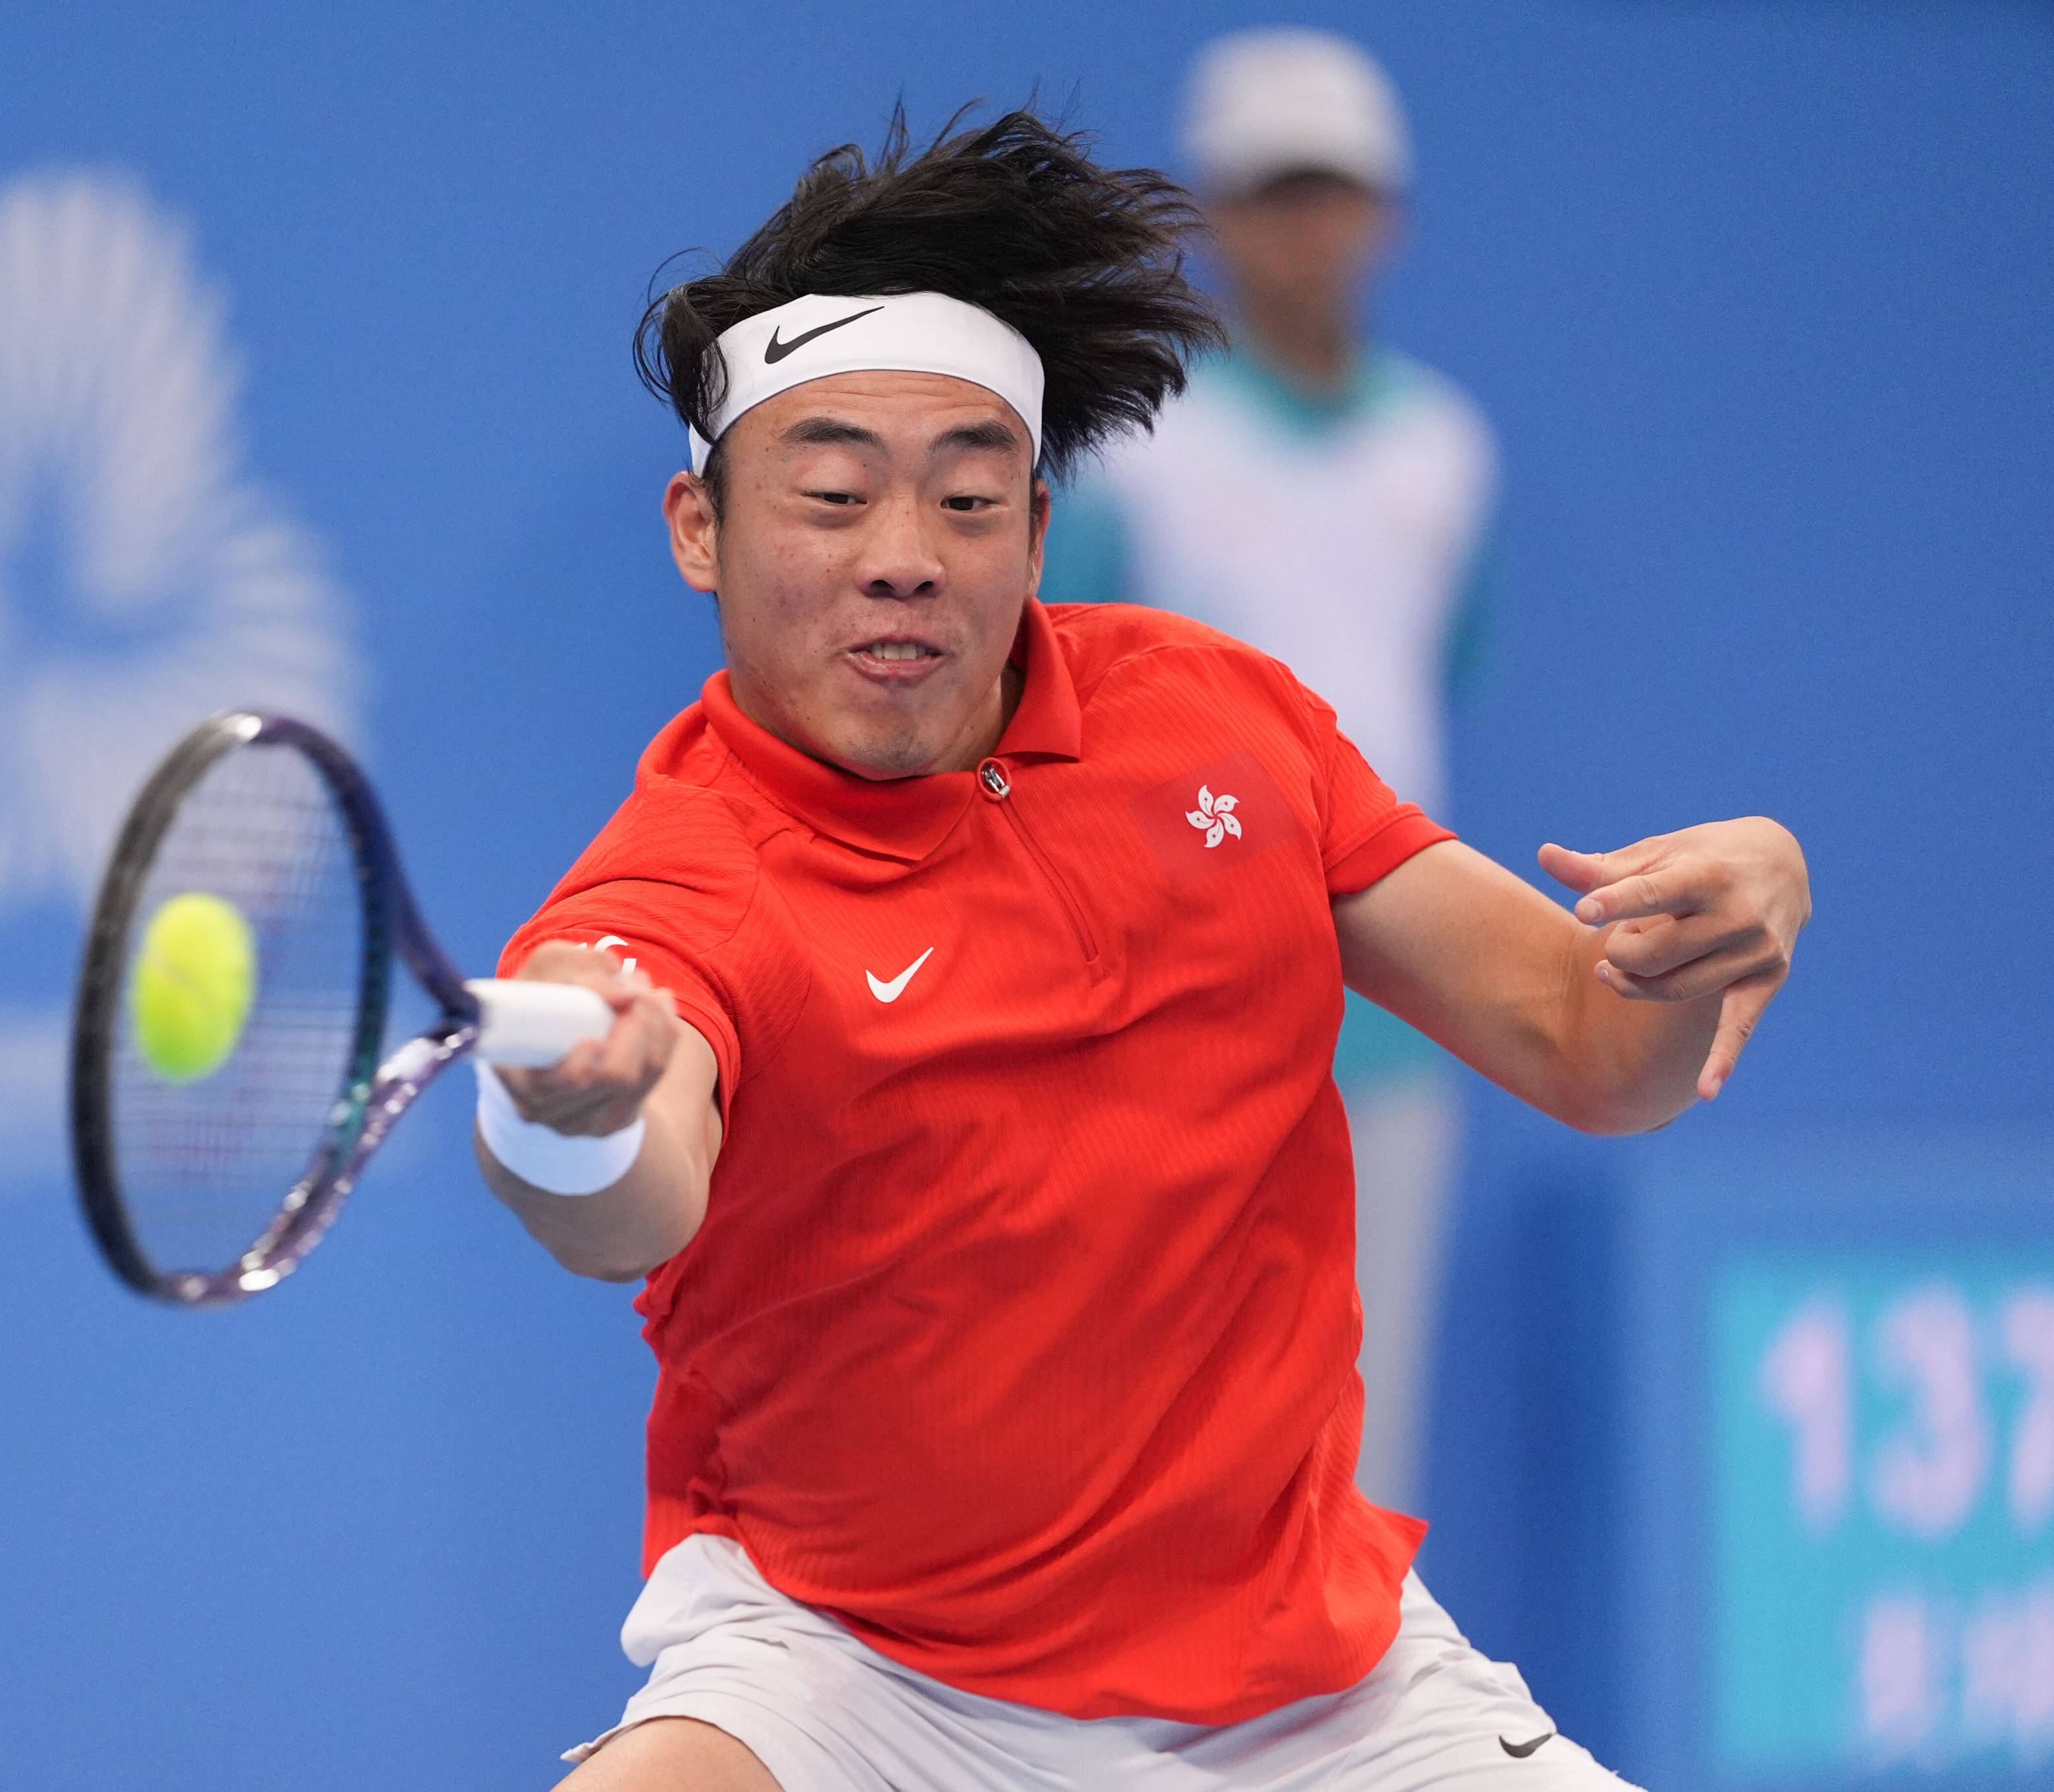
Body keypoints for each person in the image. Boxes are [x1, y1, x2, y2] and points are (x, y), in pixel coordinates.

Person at [474, 110, 1808, 1792]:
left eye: (965, 498)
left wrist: (1723, 922)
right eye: (825, 495)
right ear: (697, 528)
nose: (900, 556)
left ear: (1033, 534)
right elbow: (622, 1203)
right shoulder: (674, 891)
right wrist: (570, 1112)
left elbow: (1592, 1052)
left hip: (1319, 1687)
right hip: (861, 1671)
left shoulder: (1219, 720)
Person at [1040, 28, 1496, 1514]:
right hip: (1164, 1015)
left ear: (1386, 215)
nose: (1306, 227)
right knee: (1151, 1448)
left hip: (1391, 1011)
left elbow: (1429, 684)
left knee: (1363, 1463)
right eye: (1271, 192)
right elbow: (1064, 716)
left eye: (1334, 191)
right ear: (1210, 217)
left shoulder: (1442, 452)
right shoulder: (1131, 446)